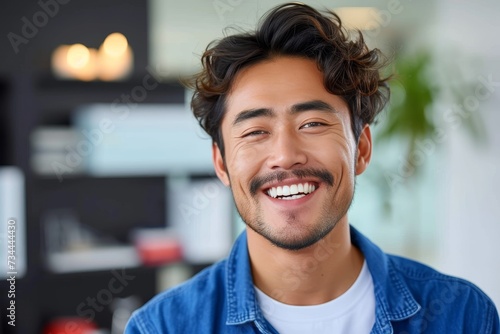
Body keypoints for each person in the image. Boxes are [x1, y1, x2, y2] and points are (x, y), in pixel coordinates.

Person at [125, 3, 499, 333]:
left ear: (362, 149)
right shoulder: (162, 326)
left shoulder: (461, 315)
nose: (285, 156)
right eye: (255, 131)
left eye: (313, 124)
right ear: (221, 164)